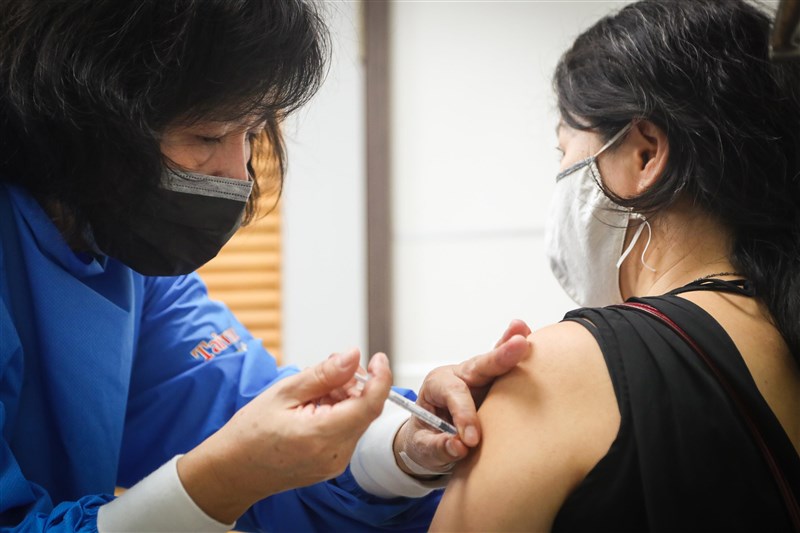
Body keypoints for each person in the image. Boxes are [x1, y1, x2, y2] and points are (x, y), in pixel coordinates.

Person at [0, 1, 532, 531]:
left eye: (251, 134)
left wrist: (401, 446)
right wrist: (223, 479)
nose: (239, 175)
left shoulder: (130, 269)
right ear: (84, 116)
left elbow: (246, 412)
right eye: (208, 137)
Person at [431, 0, 800, 531]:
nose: (560, 172)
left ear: (644, 155)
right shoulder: (783, 331)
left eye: (564, 150)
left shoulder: (560, 373)